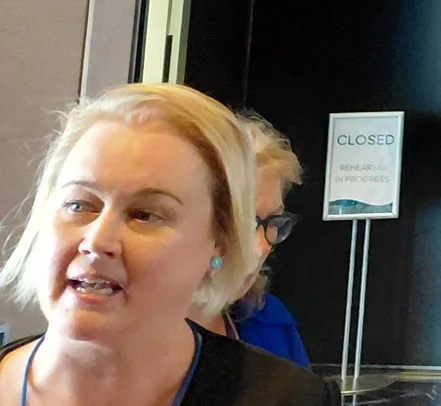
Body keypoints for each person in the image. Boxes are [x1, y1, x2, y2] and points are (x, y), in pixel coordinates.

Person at [0, 83, 333, 406]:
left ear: (219, 242)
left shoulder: (285, 396)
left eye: (144, 214)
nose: (97, 240)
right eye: (79, 205)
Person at [195, 111, 310, 366]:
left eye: (272, 221)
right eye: (243, 221)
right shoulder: (121, 331)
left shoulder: (271, 322)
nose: (260, 246)